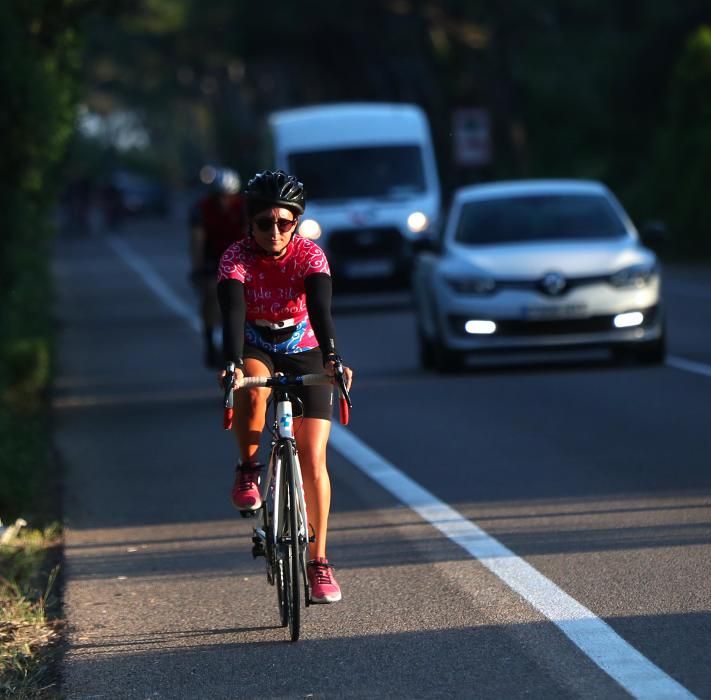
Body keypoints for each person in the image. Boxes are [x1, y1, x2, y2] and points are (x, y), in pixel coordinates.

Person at [216, 169, 353, 604]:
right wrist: (234, 365)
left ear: (296, 222)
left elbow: (321, 308)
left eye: (284, 222)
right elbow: (232, 316)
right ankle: (248, 468)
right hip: (256, 342)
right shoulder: (235, 258)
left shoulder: (311, 255)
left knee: (314, 459)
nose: (274, 232)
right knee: (253, 390)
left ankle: (319, 562)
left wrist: (333, 359)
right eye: (264, 223)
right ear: (249, 223)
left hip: (303, 345)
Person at [189, 167, 247, 368]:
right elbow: (197, 239)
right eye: (219, 197)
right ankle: (209, 342)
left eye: (228, 197)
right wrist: (198, 268)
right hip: (212, 257)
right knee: (211, 294)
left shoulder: (243, 207)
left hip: (238, 256)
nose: (224, 201)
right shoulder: (202, 208)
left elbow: (249, 234)